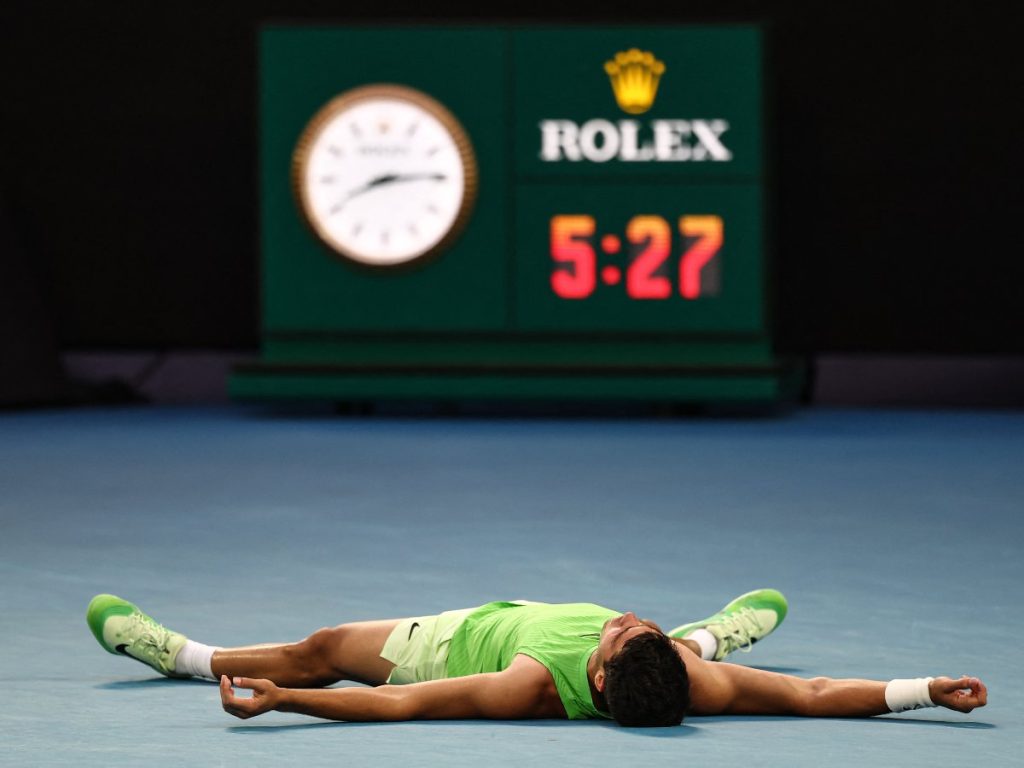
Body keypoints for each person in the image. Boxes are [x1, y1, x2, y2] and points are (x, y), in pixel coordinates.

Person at [86, 589, 987, 727]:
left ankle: (186, 657)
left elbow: (398, 709)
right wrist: (924, 691)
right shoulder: (677, 676)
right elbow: (816, 691)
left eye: (627, 636)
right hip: (520, 621)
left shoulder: (528, 685)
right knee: (720, 654)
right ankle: (721, 628)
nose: (629, 618)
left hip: (440, 648)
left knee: (323, 651)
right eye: (648, 631)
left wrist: (286, 699)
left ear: (597, 676)